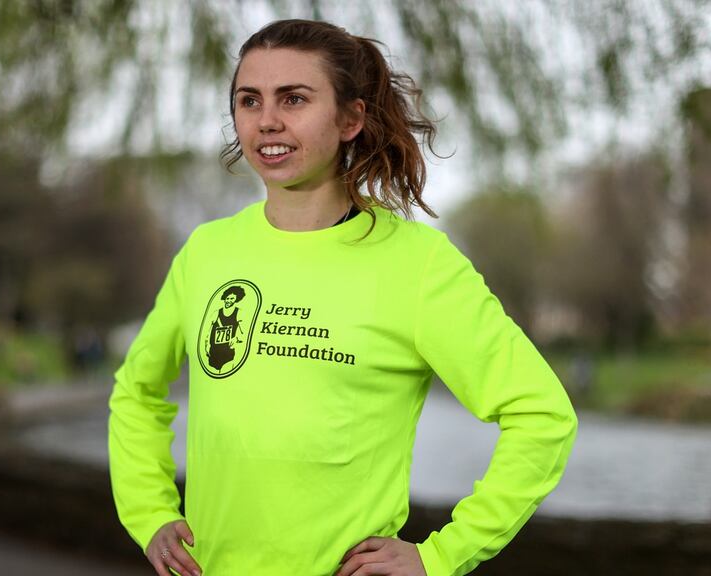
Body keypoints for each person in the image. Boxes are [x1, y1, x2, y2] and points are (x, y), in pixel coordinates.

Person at [108, 19, 577, 576]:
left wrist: (441, 555)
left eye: (295, 99)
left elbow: (541, 414)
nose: (268, 121)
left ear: (350, 118)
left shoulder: (418, 264)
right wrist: (150, 513)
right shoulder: (207, 252)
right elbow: (136, 392)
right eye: (249, 100)